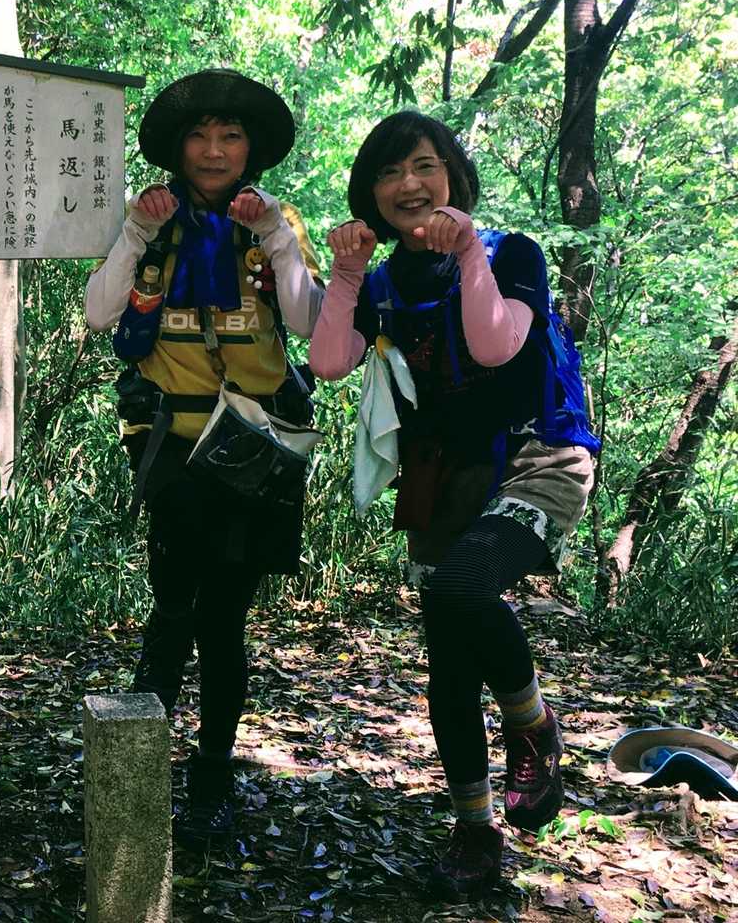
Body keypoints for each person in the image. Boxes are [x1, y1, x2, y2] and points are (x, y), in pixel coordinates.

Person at [309, 110, 598, 901]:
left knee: (459, 588)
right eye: (389, 172)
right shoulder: (383, 282)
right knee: (449, 663)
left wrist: (468, 251)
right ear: (370, 193)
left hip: (540, 457)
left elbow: (497, 344)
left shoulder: (512, 253)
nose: (408, 184)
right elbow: (330, 362)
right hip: (447, 477)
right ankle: (475, 829)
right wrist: (344, 276)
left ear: (454, 177)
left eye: (424, 166)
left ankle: (533, 723)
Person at [84, 69, 325, 846]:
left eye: (230, 136)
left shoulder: (276, 224)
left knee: (223, 619)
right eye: (199, 136)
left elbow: (310, 324)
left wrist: (276, 235)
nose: (214, 150)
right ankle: (137, 775)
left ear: (250, 150)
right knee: (171, 608)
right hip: (172, 447)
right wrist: (134, 232)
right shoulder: (154, 222)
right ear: (178, 149)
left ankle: (212, 778)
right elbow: (99, 314)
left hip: (254, 450)